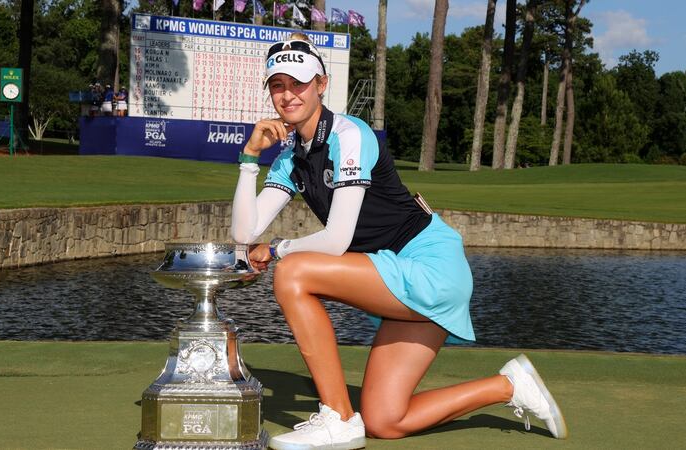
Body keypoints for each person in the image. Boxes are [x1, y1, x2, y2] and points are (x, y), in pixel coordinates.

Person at [231, 33, 567, 450]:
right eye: (278, 85)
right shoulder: (289, 156)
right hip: (396, 276)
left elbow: (336, 241)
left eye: (298, 83)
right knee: (386, 420)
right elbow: (245, 233)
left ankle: (337, 416)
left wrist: (279, 248)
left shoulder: (350, 134)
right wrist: (249, 156)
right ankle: (508, 386)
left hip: (430, 266)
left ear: (321, 85)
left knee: (294, 272)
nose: (287, 95)